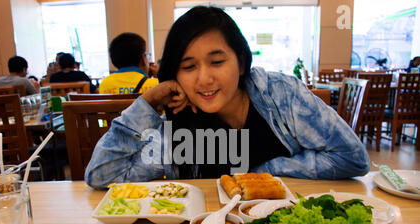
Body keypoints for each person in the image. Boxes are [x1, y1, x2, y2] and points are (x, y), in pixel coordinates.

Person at [85, 6, 370, 189]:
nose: (204, 79)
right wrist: (146, 105)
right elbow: (103, 176)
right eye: (189, 67)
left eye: (217, 62)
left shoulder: (280, 95)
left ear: (242, 62)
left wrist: (265, 172)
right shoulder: (178, 121)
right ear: (175, 75)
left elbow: (352, 157)